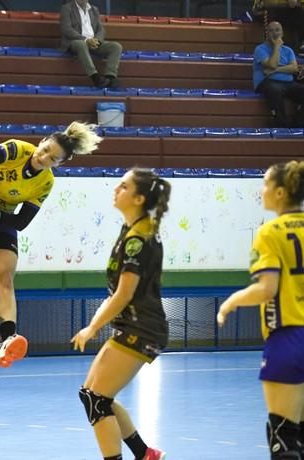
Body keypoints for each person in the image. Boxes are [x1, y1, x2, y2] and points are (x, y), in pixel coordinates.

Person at [0, 121, 102, 379]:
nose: (44, 158)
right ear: (40, 142)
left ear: (58, 164)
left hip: (0, 217)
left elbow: (20, 222)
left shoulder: (45, 183)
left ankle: (7, 341)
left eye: (52, 158)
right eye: (45, 150)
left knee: (4, 277)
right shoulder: (17, 150)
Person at [71, 168, 170, 460]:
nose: (116, 189)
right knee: (92, 395)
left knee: (96, 399)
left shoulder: (138, 238)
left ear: (138, 198)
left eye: (124, 186)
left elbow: (124, 294)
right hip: (132, 325)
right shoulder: (134, 228)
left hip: (142, 328)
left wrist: (92, 327)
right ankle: (145, 454)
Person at [217, 161, 304, 460]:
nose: (261, 190)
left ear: (281, 192)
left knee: (284, 437)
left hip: (289, 337)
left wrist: (231, 302)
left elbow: (266, 289)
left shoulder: (271, 232)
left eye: (266, 184)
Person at [60, 0, 123, 88]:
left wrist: (97, 40)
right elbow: (66, 29)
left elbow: (101, 29)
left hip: (93, 41)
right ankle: (95, 77)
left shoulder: (94, 9)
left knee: (116, 46)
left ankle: (110, 77)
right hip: (76, 41)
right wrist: (86, 40)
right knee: (81, 44)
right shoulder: (67, 8)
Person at [253, 21, 304, 128]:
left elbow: (294, 68)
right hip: (266, 82)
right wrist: (276, 47)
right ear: (267, 33)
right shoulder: (260, 49)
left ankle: (298, 123)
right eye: (271, 30)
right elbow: (272, 64)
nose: (275, 33)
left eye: (277, 30)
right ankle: (281, 124)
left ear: (282, 33)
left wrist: (275, 70)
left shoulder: (288, 50)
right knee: (275, 89)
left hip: (288, 83)